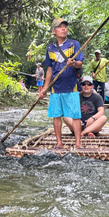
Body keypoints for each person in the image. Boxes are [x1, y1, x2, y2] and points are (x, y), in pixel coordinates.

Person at [39, 18, 84, 149]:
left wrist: (73, 63)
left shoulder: (74, 44)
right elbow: (49, 69)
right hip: (56, 88)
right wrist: (45, 88)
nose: (63, 28)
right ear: (54, 31)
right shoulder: (50, 48)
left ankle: (78, 143)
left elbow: (80, 63)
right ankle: (59, 143)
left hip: (71, 86)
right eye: (60, 27)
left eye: (65, 26)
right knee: (56, 115)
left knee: (75, 115)